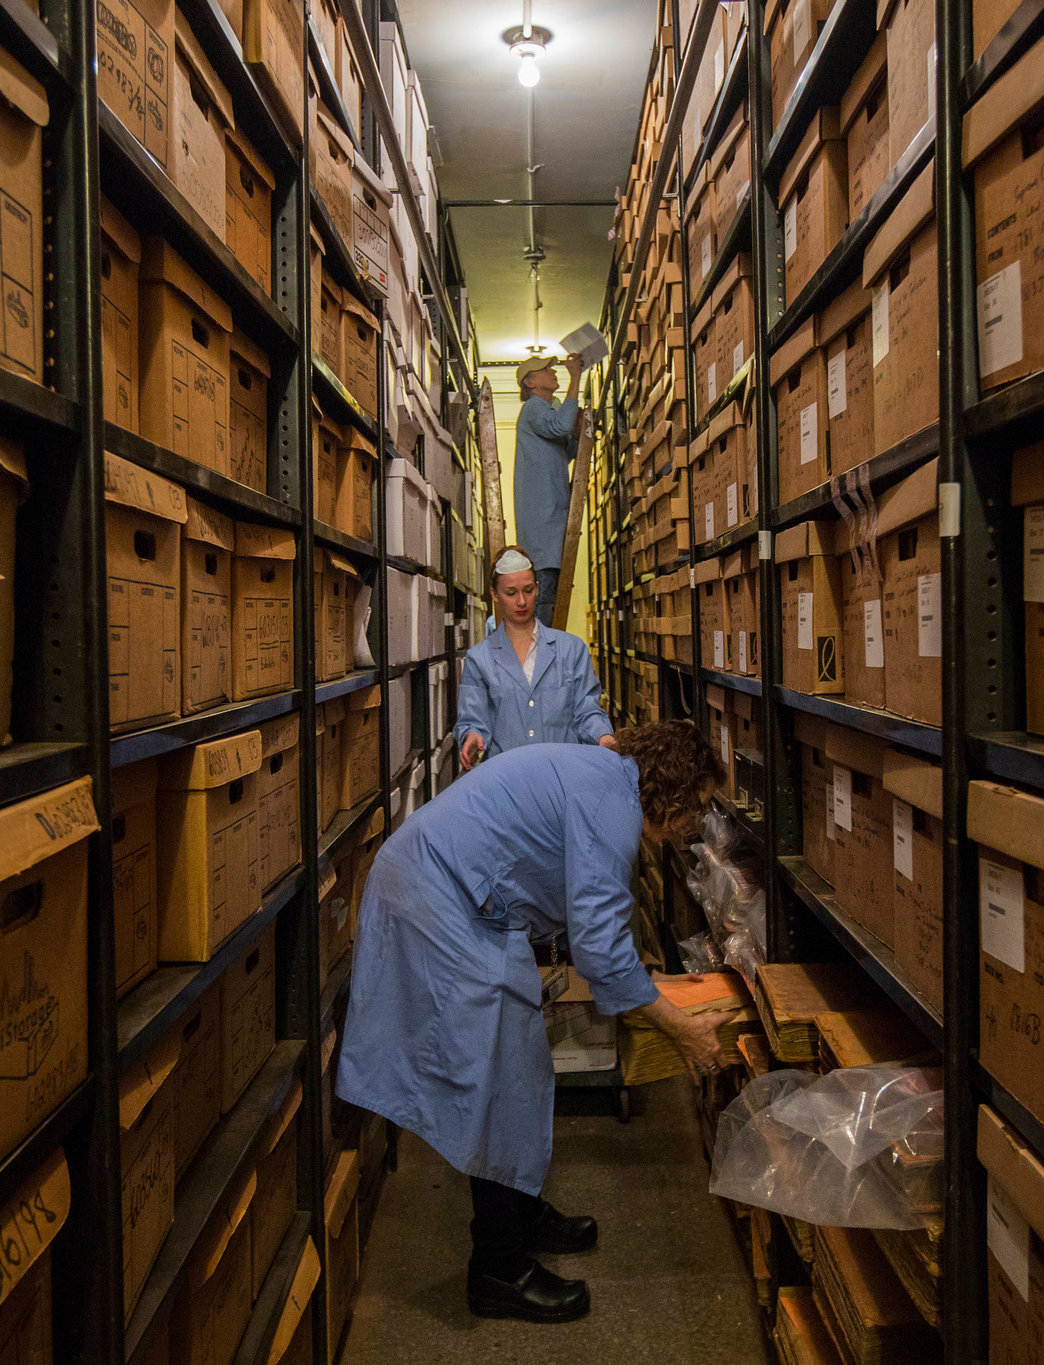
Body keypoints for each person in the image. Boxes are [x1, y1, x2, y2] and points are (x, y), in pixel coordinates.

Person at [334, 722, 730, 1323]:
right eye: (697, 804)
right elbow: (601, 948)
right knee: (497, 1079)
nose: (695, 822)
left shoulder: (610, 783)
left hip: (458, 895)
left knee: (521, 1068)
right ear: (672, 786)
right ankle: (498, 1267)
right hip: (436, 896)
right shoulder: (612, 805)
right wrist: (680, 1027)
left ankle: (519, 1214)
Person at [457, 545, 614, 771]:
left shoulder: (571, 650)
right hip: (506, 782)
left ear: (538, 589)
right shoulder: (479, 659)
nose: (521, 601)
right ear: (494, 594)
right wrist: (471, 737)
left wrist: (604, 736)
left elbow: (587, 711)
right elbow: (474, 720)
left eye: (528, 590)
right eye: (511, 593)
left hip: (562, 777)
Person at [511, 352, 585, 627]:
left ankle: (544, 655)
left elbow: (566, 449)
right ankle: (540, 659)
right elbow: (561, 426)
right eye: (546, 370)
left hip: (551, 516)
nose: (554, 373)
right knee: (544, 596)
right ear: (529, 382)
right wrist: (575, 377)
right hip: (543, 522)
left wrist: (580, 432)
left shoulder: (545, 411)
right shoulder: (533, 408)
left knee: (549, 593)